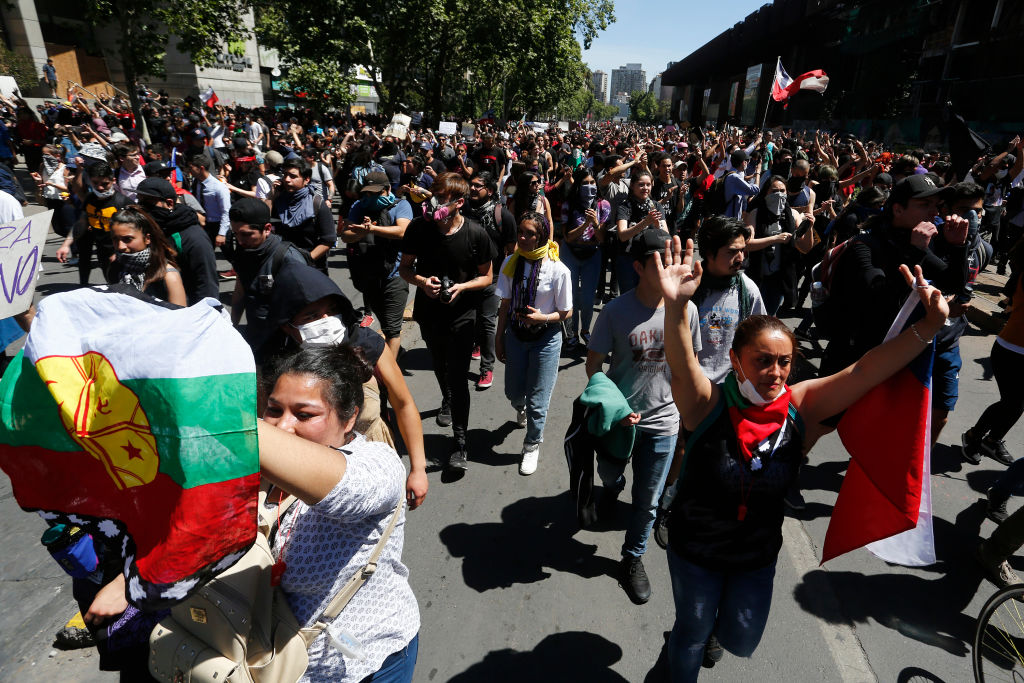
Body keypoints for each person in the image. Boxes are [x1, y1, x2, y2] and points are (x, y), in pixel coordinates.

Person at [657, 235, 948, 681]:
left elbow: (865, 371)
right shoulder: (707, 404)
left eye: (784, 362)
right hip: (696, 552)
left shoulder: (801, 408)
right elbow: (682, 367)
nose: (774, 373)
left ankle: (709, 630)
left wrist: (927, 327)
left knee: (741, 639)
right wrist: (676, 307)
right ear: (735, 361)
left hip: (755, 557)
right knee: (691, 635)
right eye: (762, 361)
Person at [258, 345, 419, 682]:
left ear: (349, 419)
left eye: (304, 415)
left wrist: (216, 422)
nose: (283, 426)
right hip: (284, 665)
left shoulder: (378, 465)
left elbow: (344, 491)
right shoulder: (258, 477)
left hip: (369, 661)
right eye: (274, 410)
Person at [585, 228, 701, 605]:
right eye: (658, 259)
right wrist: (616, 410)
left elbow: (691, 365)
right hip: (620, 425)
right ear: (637, 266)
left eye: (672, 256)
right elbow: (594, 367)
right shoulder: (616, 312)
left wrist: (689, 415)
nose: (669, 264)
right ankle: (610, 489)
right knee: (609, 474)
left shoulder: (686, 309)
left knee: (648, 500)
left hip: (664, 424)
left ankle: (631, 559)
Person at [265, 265, 428, 509]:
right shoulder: (274, 361)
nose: (326, 321)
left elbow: (403, 403)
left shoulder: (366, 344)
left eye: (332, 311)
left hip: (371, 464)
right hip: (303, 473)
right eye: (311, 316)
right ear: (287, 325)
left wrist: (418, 468)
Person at [399, 173, 496, 471]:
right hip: (429, 314)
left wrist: (462, 288)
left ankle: (460, 442)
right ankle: (446, 399)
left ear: (459, 203)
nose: (435, 202)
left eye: (442, 197)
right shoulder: (419, 228)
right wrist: (422, 282)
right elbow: (404, 269)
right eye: (434, 195)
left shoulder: (476, 233)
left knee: (457, 375)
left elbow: (487, 276)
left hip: (463, 314)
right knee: (440, 367)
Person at [495, 212, 572, 476]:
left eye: (530, 233)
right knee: (513, 392)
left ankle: (532, 444)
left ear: (542, 236)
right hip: (516, 336)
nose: (523, 238)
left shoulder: (558, 269)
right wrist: (498, 338)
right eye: (521, 232)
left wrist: (543, 317)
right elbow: (505, 303)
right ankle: (521, 409)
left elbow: (566, 311)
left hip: (546, 339)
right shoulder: (510, 263)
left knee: (539, 399)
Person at [962, 242, 1024, 469]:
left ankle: (991, 440)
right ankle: (973, 436)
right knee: (1012, 401)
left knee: (1017, 404)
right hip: (1011, 350)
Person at [340, 171, 413, 359]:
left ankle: (390, 374)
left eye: (375, 193)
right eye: (367, 193)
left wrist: (373, 229)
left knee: (393, 329)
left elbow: (403, 231)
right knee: (385, 323)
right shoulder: (359, 206)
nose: (370, 197)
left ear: (387, 189)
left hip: (395, 275)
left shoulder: (401, 205)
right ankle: (394, 352)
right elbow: (345, 235)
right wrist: (360, 233)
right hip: (369, 274)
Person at [228, 197, 313, 359]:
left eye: (246, 234)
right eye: (236, 234)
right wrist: (233, 327)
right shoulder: (243, 252)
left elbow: (306, 308)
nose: (240, 240)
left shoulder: (288, 258)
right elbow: (240, 291)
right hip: (256, 338)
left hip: (286, 346)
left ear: (267, 229)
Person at [463, 171, 516, 389]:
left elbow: (511, 251)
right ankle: (476, 345)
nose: (473, 189)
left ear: (490, 191)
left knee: (487, 322)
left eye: (478, 186)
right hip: (465, 277)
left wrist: (506, 281)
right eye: (471, 185)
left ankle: (487, 368)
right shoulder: (461, 209)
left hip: (492, 278)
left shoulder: (503, 216)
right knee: (469, 319)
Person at [134, 177, 219, 304]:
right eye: (139, 202)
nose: (142, 208)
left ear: (169, 203)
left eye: (148, 203)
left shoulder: (194, 238)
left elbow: (206, 287)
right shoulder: (151, 228)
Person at [56, 162, 130, 285]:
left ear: (113, 181)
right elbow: (82, 222)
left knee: (122, 286)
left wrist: (120, 253)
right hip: (102, 250)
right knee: (111, 283)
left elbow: (136, 232)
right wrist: (66, 244)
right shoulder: (90, 199)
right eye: (95, 183)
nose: (100, 187)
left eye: (105, 184)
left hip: (121, 253)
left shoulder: (123, 203)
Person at [562, 168, 609, 348]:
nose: (589, 187)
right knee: (571, 294)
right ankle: (572, 331)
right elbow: (568, 237)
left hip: (592, 254)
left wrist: (596, 224)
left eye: (592, 183)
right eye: (585, 183)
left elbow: (602, 238)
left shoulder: (603, 205)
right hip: (571, 252)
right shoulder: (569, 204)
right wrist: (585, 225)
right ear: (577, 186)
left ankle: (585, 330)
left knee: (588, 297)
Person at [106, 206, 187, 306]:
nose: (120, 246)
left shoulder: (168, 276)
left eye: (128, 239)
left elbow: (180, 318)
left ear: (147, 239)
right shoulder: (116, 266)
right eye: (115, 239)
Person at [743, 176, 799, 315]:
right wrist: (775, 239)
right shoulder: (756, 213)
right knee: (750, 317)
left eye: (782, 191)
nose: (779, 195)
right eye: (774, 191)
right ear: (766, 193)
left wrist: (809, 227)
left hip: (778, 278)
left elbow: (806, 247)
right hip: (757, 275)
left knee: (768, 318)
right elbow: (746, 244)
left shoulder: (792, 215)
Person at [273, 157, 336, 273]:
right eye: (285, 175)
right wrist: (272, 196)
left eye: (293, 176)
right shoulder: (278, 202)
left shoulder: (317, 204)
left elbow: (328, 240)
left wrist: (305, 259)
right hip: (283, 267)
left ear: (306, 179)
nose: (287, 179)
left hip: (312, 269)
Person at [615, 171, 667, 293]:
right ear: (632, 186)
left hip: (651, 258)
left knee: (650, 296)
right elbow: (622, 235)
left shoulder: (656, 206)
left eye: (648, 185)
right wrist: (645, 222)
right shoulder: (624, 207)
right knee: (629, 298)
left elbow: (666, 234)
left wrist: (656, 224)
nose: (645, 188)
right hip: (628, 259)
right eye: (641, 185)